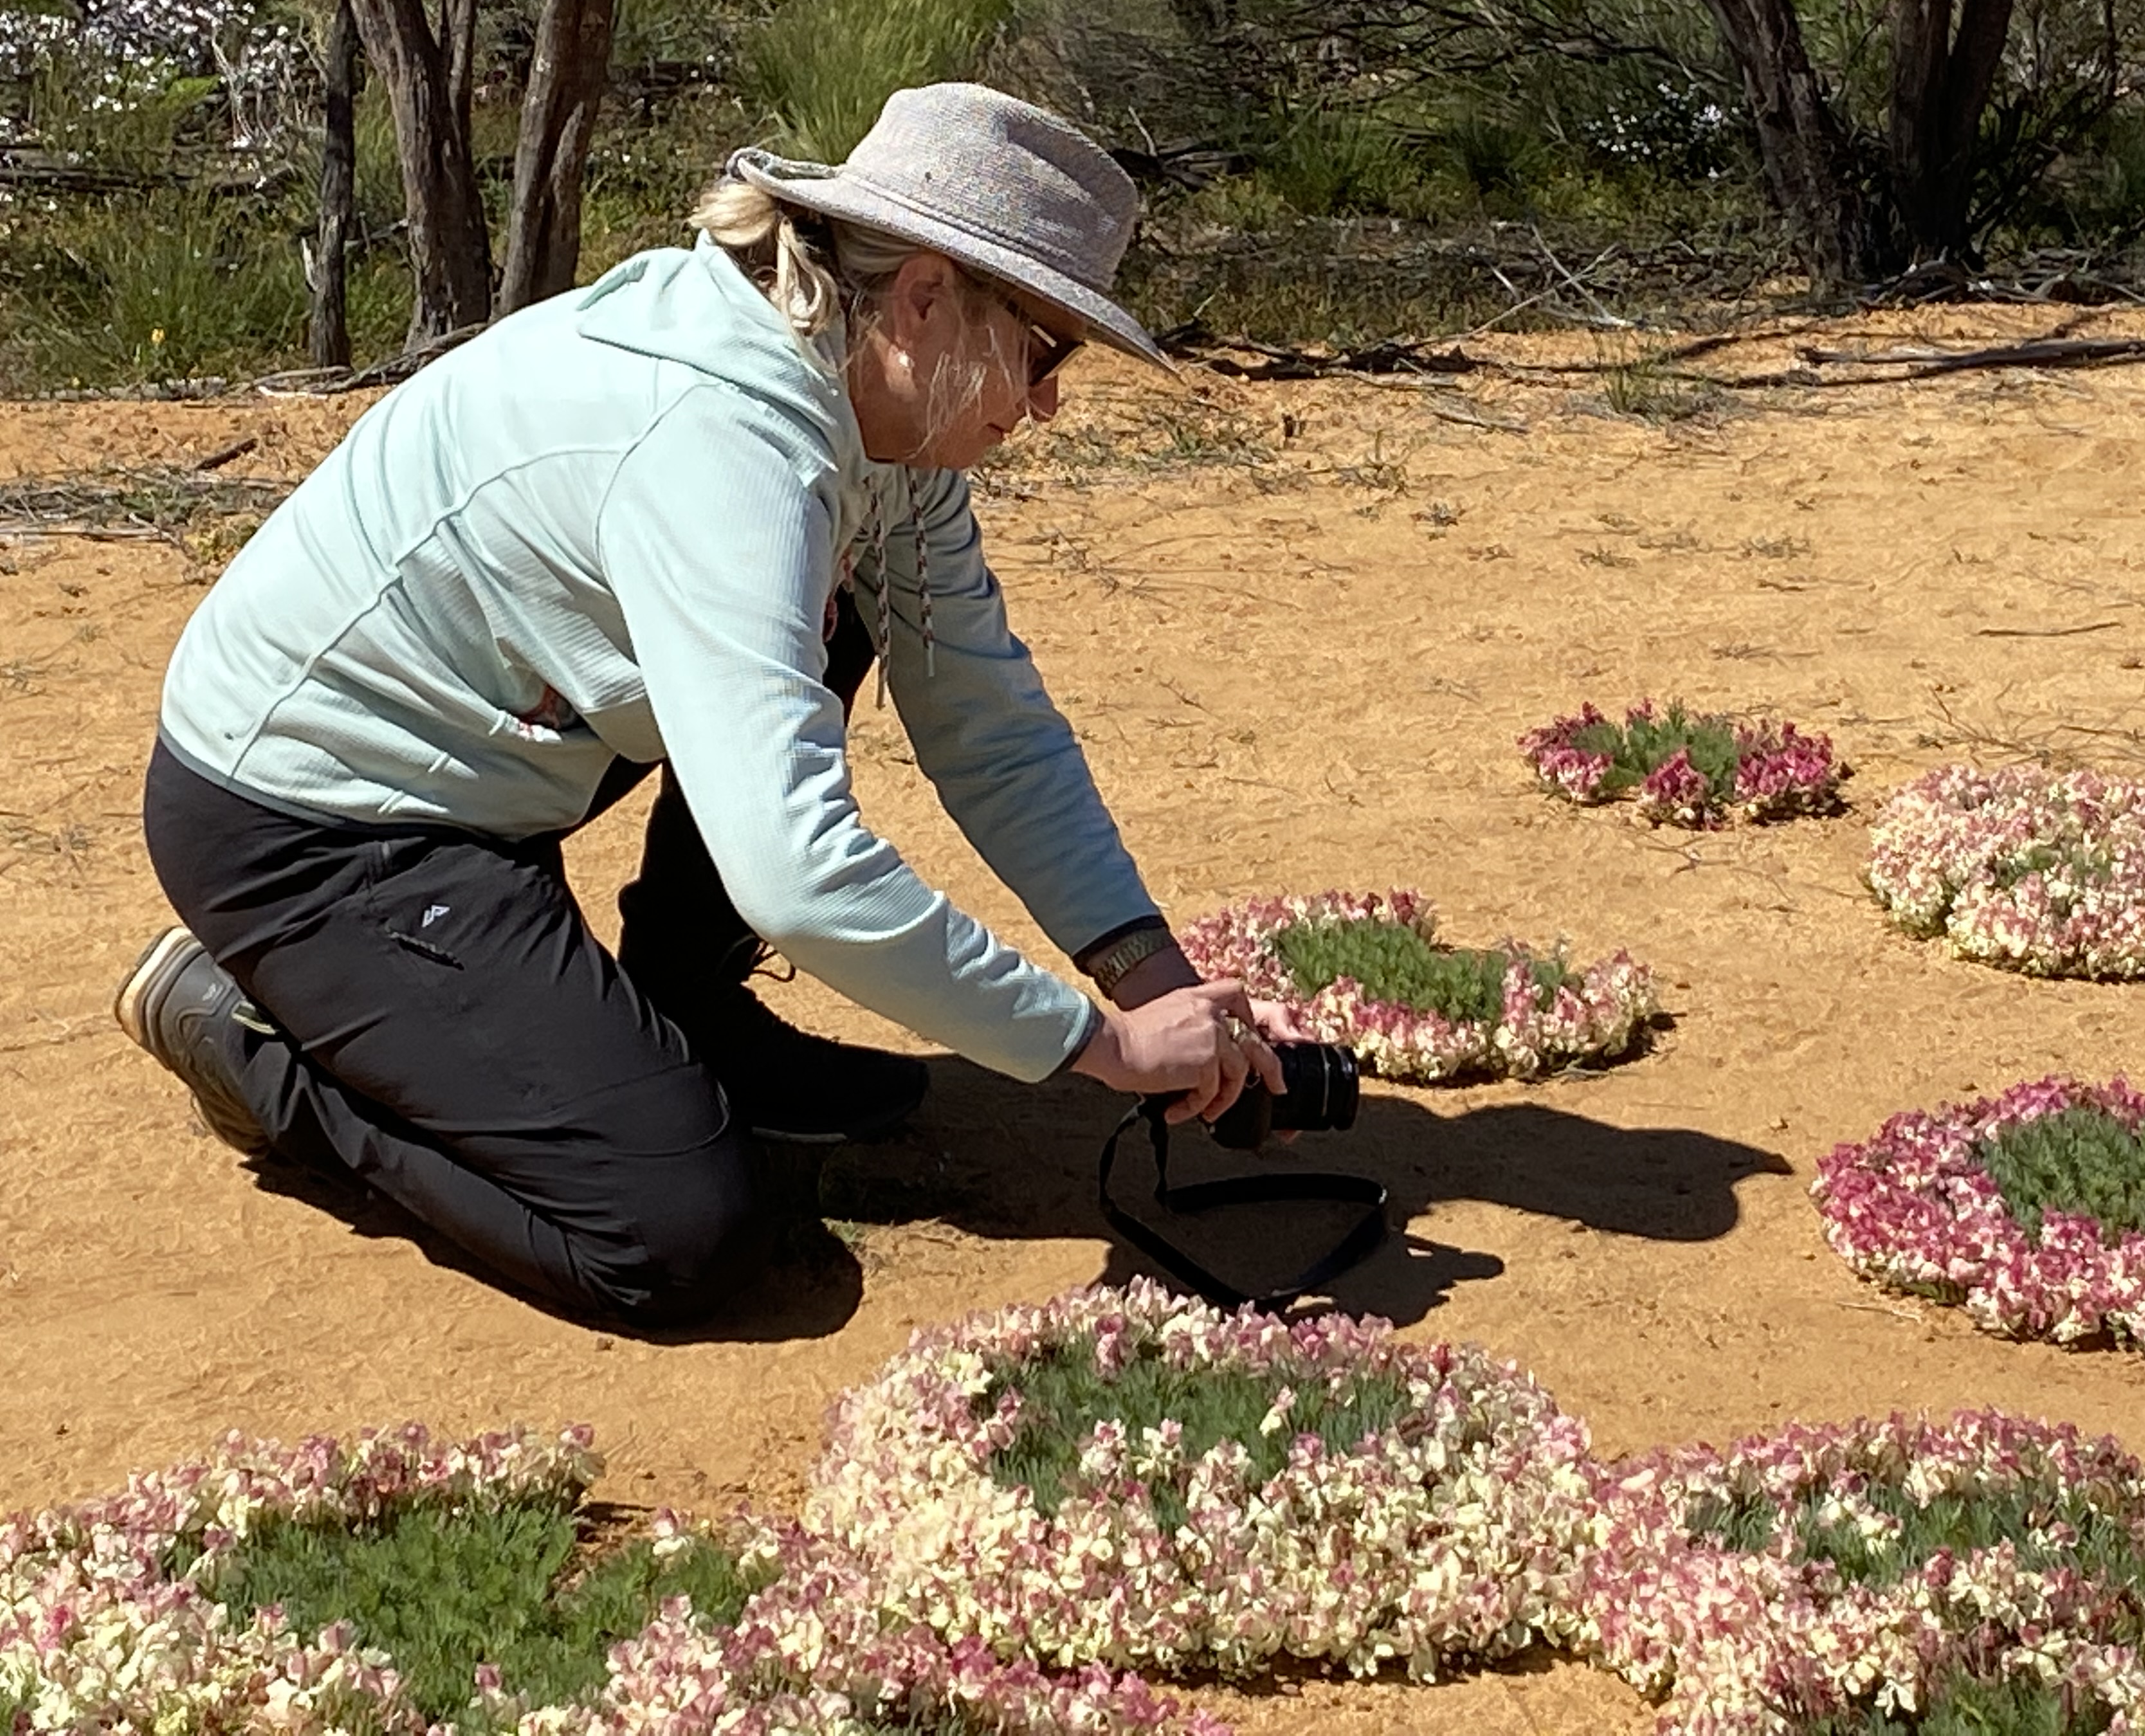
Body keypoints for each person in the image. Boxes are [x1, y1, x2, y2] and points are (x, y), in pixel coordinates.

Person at [116, 82, 1288, 1326]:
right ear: (927, 296)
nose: (1048, 401)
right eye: (1044, 349)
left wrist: (1155, 979)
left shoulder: (885, 414)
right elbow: (799, 874)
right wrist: (1098, 1049)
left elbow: (985, 721)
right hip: (311, 820)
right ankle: (249, 1038)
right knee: (677, 1234)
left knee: (824, 630)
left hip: (502, 745)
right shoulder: (728, 442)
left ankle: (687, 1010)